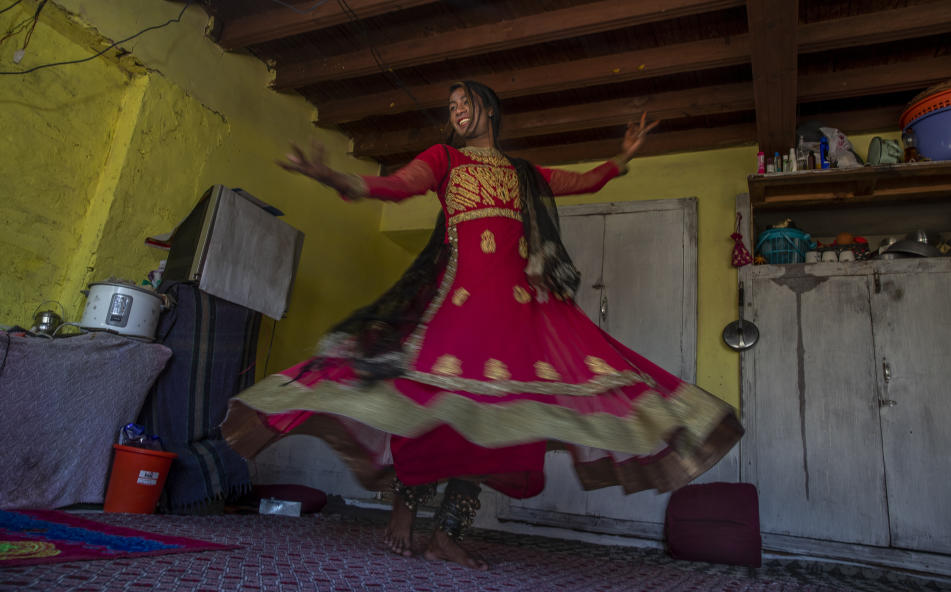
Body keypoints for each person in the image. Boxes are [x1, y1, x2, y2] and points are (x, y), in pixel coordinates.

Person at [222, 80, 743, 570]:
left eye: (464, 102)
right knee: (427, 400)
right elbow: (398, 185)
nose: (456, 111)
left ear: (489, 108)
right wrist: (337, 178)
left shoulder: (522, 172)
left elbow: (582, 180)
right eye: (450, 107)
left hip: (518, 308)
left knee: (501, 425)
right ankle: (406, 505)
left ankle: (447, 532)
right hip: (457, 298)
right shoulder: (443, 159)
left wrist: (624, 158)